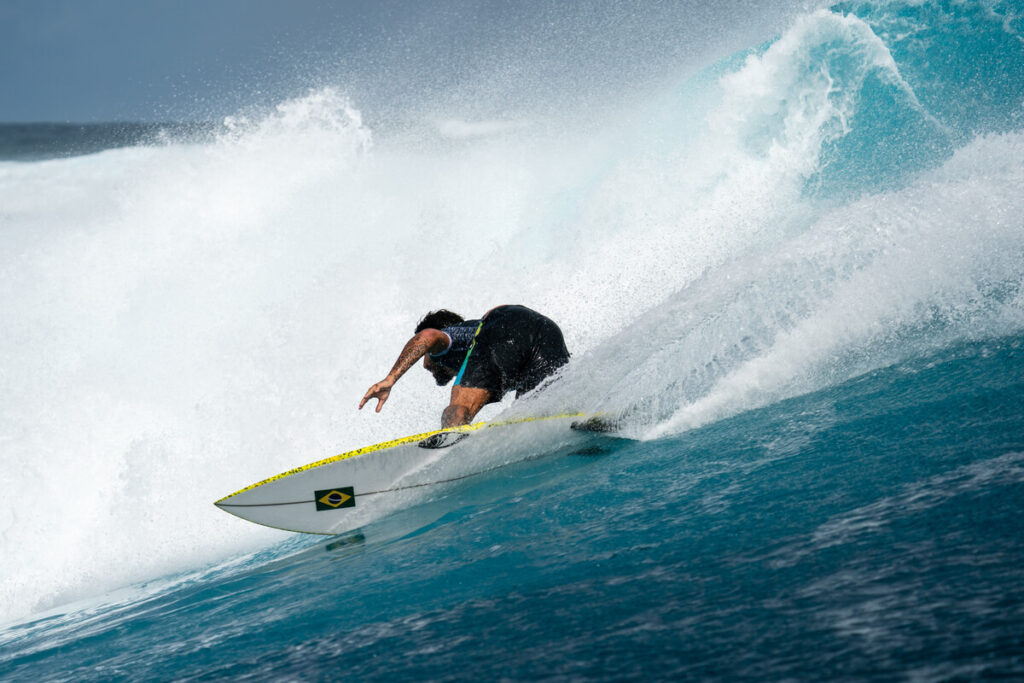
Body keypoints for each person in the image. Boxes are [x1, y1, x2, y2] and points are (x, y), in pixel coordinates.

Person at [359, 305, 570, 427]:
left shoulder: (449, 339)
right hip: (548, 333)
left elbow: (428, 335)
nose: (426, 365)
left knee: (461, 408)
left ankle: (447, 452)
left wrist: (391, 378)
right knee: (538, 420)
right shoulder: (475, 335)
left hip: (507, 326)